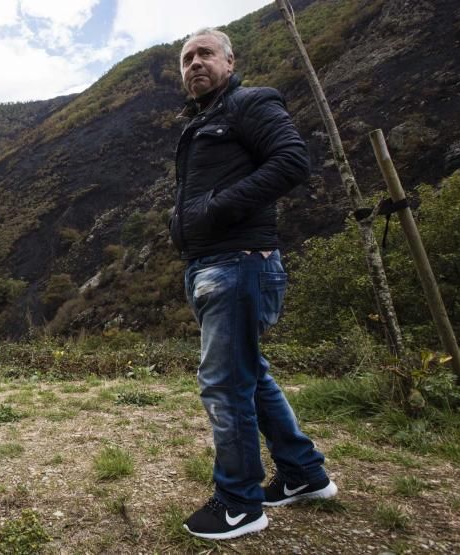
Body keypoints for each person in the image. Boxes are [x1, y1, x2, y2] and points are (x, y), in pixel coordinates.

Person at [170, 28, 337, 540]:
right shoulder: (204, 120)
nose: (195, 63)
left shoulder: (249, 102)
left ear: (228, 59)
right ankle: (303, 474)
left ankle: (240, 502)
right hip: (215, 264)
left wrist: (214, 208)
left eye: (204, 54)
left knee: (224, 384)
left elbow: (292, 161)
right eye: (186, 59)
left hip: (239, 262)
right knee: (250, 376)